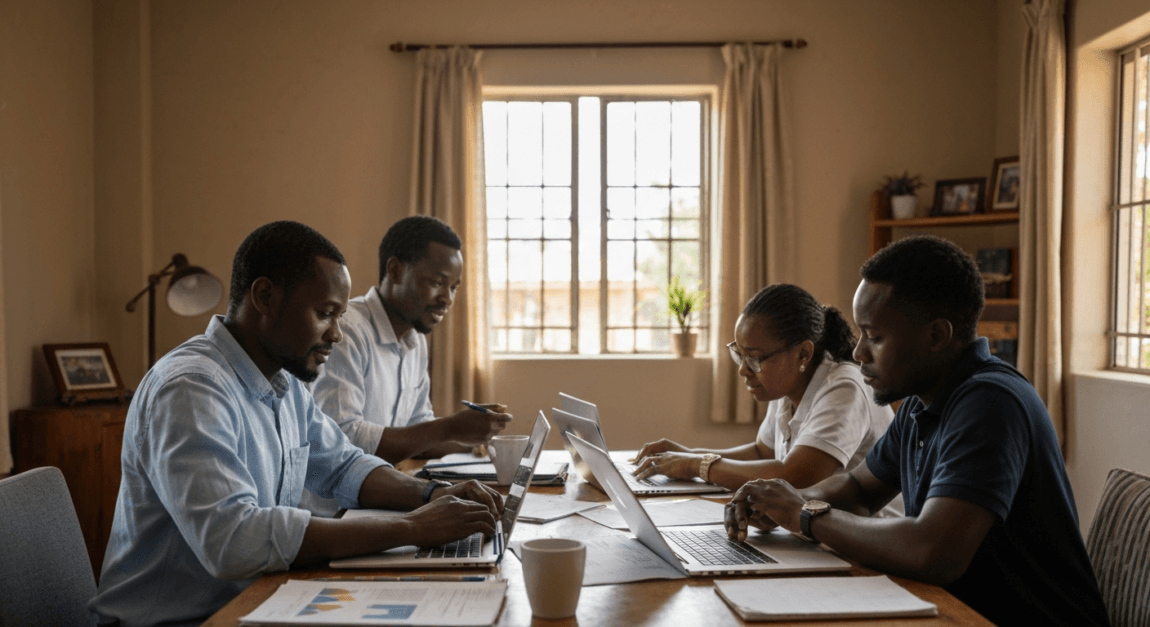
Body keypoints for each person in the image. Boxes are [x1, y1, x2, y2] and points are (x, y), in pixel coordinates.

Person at [91, 221, 503, 627]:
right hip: (181, 620)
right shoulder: (191, 389)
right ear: (265, 296)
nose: (337, 335)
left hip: (259, 601)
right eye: (325, 314)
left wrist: (430, 494)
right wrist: (413, 528)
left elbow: (344, 466)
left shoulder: (284, 382)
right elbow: (232, 541)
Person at [724, 235, 1109, 627]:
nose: (858, 353)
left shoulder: (990, 404)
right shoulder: (919, 403)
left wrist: (803, 514)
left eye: (874, 337)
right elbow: (858, 491)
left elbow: (932, 552)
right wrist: (783, 502)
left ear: (936, 336)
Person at [300, 216, 511, 517]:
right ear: (395, 270)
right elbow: (343, 439)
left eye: (454, 287)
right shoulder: (346, 333)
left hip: (382, 504)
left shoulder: (414, 341)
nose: (447, 299)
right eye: (438, 282)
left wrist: (476, 446)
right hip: (334, 516)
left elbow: (418, 433)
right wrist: (450, 427)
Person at [632, 284, 897, 506]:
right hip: (816, 534)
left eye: (755, 358)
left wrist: (695, 465)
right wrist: (687, 455)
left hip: (867, 548)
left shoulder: (844, 387)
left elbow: (793, 477)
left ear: (803, 354)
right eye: (740, 355)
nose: (744, 371)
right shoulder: (788, 383)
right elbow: (762, 453)